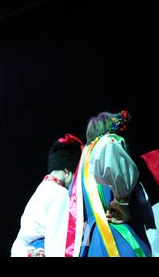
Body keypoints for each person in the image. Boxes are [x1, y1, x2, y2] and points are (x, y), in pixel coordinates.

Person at [65, 110, 152, 257]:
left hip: (94, 242)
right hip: (116, 235)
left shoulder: (80, 169)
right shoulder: (107, 142)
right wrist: (121, 203)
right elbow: (113, 156)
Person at [11, 134, 83, 257]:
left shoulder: (40, 190)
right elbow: (57, 245)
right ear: (66, 172)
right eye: (74, 175)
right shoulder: (60, 195)